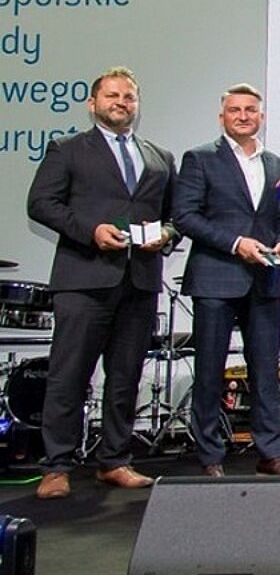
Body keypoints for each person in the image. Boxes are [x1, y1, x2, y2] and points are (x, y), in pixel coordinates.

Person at [26, 67, 177, 499]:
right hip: (84, 279)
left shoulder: (160, 157)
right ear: (93, 103)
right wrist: (90, 231)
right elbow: (41, 203)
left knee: (126, 376)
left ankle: (114, 460)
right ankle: (57, 466)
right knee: (69, 376)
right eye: (113, 96)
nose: (121, 103)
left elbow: (174, 216)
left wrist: (167, 235)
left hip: (139, 282)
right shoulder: (68, 149)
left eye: (129, 97)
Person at [172, 83, 280, 478]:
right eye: (235, 110)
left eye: (250, 110)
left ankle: (270, 453)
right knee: (210, 372)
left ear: (261, 116)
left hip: (264, 282)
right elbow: (185, 216)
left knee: (266, 372)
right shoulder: (200, 159)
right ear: (222, 116)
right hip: (215, 279)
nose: (243, 116)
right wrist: (235, 243)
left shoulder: (277, 166)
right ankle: (210, 456)